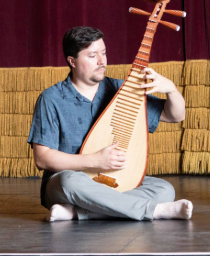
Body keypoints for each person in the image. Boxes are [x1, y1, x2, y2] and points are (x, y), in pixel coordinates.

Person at [27, 26, 193, 222]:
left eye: (103, 53)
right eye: (92, 55)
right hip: (72, 181)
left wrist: (171, 90)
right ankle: (153, 211)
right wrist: (95, 161)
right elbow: (42, 159)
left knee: (164, 189)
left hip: (115, 181)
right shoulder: (51, 99)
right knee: (68, 181)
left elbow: (174, 115)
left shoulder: (120, 90)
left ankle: (80, 213)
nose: (101, 61)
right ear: (72, 61)